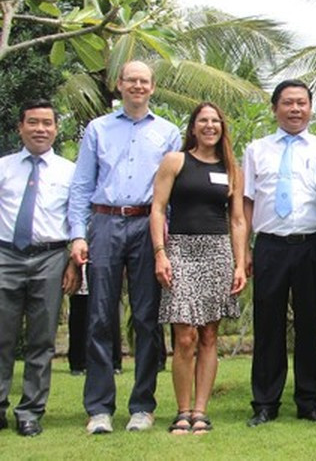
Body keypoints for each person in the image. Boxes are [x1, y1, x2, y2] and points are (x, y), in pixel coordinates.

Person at [69, 60, 181, 434]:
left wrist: (166, 241)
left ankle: (142, 406)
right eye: (130, 79)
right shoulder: (97, 129)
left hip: (148, 224)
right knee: (100, 316)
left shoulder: (167, 132)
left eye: (143, 81)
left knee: (147, 319)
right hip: (104, 222)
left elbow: (172, 193)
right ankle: (99, 408)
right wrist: (78, 233)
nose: (137, 86)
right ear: (119, 85)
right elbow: (82, 185)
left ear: (152, 87)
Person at [150, 102, 247, 435]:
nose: (210, 126)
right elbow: (158, 210)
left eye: (215, 121)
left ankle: (201, 411)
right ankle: (182, 409)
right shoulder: (175, 161)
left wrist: (239, 264)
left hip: (218, 253)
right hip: (180, 250)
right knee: (185, 335)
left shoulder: (232, 168)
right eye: (203, 121)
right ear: (192, 127)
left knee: (208, 335)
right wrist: (160, 253)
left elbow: (237, 220)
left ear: (222, 127)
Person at [243, 80, 316, 427]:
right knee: (268, 326)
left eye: (302, 103)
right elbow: (246, 204)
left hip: (311, 245)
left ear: (310, 107)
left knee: (311, 325)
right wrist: (244, 251)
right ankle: (265, 402)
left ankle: (309, 401)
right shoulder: (256, 149)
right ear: (274, 108)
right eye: (288, 103)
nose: (295, 109)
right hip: (269, 246)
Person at [0, 99, 79, 437]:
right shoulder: (3, 167)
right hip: (5, 256)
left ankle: (30, 411)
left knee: (41, 340)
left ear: (56, 129)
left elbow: (77, 218)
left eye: (47, 123)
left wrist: (74, 261)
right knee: (2, 337)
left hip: (50, 257)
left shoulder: (69, 171)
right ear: (21, 127)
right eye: (33, 122)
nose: (40, 129)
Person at [67, 267, 123, 376]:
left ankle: (114, 362)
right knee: (78, 319)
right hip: (81, 270)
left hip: (105, 274)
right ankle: (78, 363)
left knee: (110, 318)